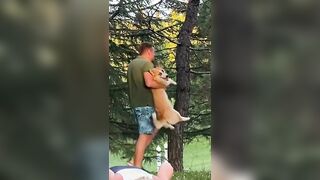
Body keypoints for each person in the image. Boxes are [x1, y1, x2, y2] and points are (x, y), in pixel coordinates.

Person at [127, 42, 165, 168]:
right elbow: (149, 83)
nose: (154, 55)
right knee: (144, 135)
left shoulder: (132, 64)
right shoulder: (147, 64)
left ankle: (134, 160)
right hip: (146, 104)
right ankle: (136, 166)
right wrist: (163, 84)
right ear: (148, 51)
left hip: (136, 103)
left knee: (154, 128)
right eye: (153, 52)